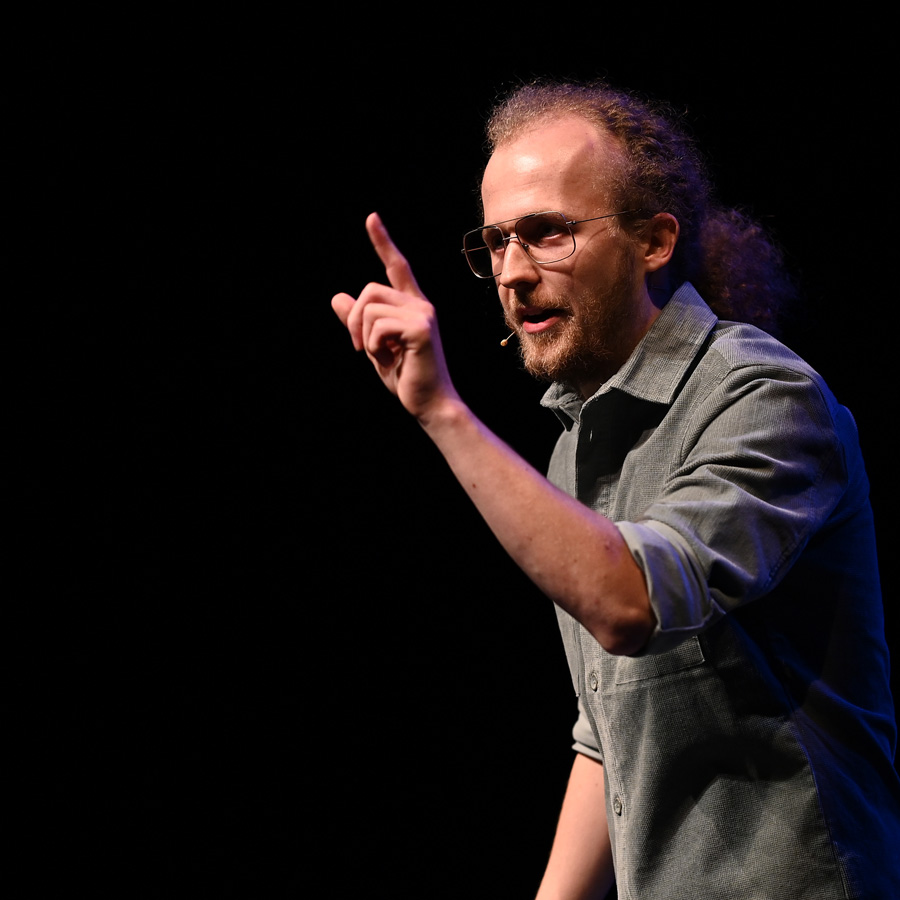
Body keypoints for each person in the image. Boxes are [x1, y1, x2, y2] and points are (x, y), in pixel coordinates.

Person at [331, 80, 900, 899]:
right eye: (494, 242)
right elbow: (608, 736)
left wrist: (440, 411)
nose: (512, 274)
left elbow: (628, 602)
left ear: (655, 241)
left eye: (547, 234)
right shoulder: (575, 454)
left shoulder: (766, 399)